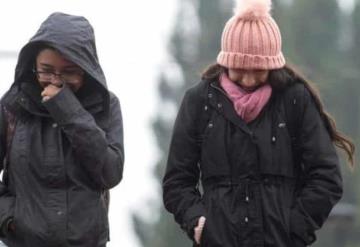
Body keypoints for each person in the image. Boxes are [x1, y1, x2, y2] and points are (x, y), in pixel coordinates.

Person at [162, 0, 355, 246]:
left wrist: (295, 228)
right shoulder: (199, 101)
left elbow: (326, 176)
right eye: (240, 69)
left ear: (273, 65)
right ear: (226, 62)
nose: (249, 79)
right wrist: (198, 222)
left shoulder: (295, 100)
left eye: (259, 70)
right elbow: (176, 181)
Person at [0, 12, 124, 247]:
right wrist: (9, 217)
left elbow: (110, 172)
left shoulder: (106, 106)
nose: (55, 81)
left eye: (68, 72)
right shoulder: (12, 107)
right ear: (33, 65)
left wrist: (68, 110)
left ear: (85, 69)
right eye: (46, 69)